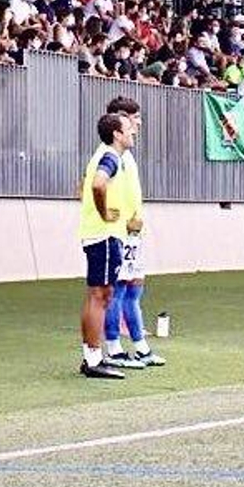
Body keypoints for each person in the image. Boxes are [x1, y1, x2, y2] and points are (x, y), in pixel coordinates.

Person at [101, 96, 165, 369]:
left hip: (133, 232)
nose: (138, 123)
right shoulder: (108, 155)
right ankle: (114, 348)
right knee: (116, 290)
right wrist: (111, 216)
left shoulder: (126, 155)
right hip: (119, 232)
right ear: (120, 119)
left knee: (134, 288)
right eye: (134, 118)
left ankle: (140, 347)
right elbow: (91, 187)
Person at [78, 112, 132, 380]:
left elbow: (82, 187)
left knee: (97, 294)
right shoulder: (110, 156)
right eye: (128, 128)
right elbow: (98, 184)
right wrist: (103, 213)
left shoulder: (102, 155)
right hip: (105, 235)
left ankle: (91, 355)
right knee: (101, 294)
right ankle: (93, 359)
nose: (133, 131)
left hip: (97, 234)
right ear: (117, 134)